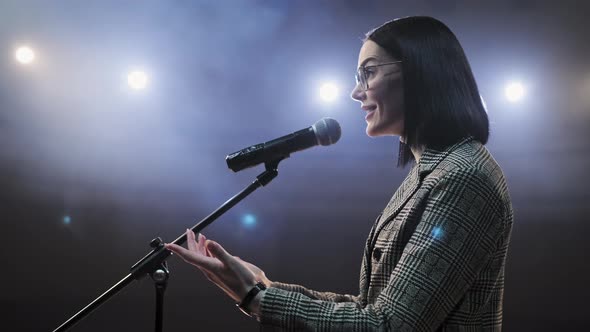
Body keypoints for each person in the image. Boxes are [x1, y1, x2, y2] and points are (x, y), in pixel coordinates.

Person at [165, 16, 513, 331]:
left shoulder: (464, 178)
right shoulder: (435, 170)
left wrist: (257, 299)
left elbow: (388, 326)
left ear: (420, 71)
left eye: (369, 72)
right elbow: (371, 309)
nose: (355, 92)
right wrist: (264, 286)